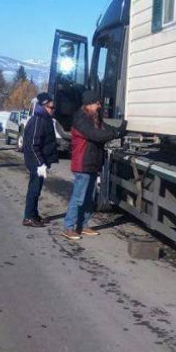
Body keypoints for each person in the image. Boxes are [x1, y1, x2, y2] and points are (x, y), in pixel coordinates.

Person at [63, 91, 127, 240]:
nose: (99, 105)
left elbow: (106, 128)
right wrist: (116, 134)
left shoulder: (95, 118)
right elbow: (95, 135)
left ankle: (83, 225)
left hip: (93, 163)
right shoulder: (81, 119)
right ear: (89, 104)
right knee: (79, 197)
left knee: (89, 197)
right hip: (82, 164)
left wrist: (119, 130)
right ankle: (68, 227)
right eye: (96, 103)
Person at [22, 92, 59, 227]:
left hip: (40, 161)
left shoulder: (44, 119)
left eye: (54, 107)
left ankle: (34, 215)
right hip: (36, 162)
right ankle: (28, 217)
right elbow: (33, 145)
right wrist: (40, 163)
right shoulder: (38, 120)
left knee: (36, 189)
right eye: (51, 107)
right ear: (43, 106)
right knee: (34, 189)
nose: (53, 110)